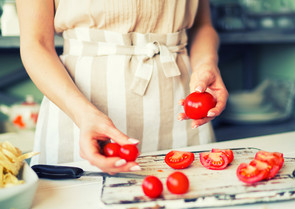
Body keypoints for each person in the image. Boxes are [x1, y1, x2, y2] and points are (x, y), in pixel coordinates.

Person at [16, 0, 228, 173]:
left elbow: (203, 26)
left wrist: (206, 63)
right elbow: (36, 43)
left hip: (177, 106)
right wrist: (83, 114)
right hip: (79, 110)